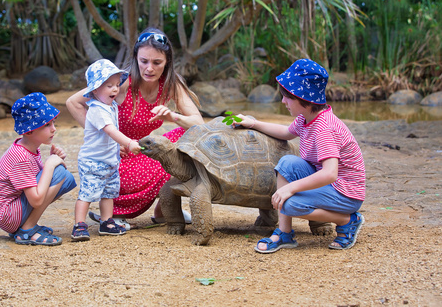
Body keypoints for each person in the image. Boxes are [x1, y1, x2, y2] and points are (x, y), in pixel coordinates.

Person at [66, 28, 204, 229]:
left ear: (167, 62)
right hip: (116, 156)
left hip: (140, 150)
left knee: (186, 138)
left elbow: (199, 125)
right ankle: (114, 212)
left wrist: (172, 116)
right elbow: (73, 102)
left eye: (157, 62)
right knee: (165, 159)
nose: (149, 68)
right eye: (143, 61)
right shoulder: (119, 82)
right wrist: (108, 139)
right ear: (136, 58)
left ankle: (165, 207)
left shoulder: (171, 84)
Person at [233, 59, 366, 253]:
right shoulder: (307, 118)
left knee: (290, 203)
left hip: (346, 192)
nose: (283, 101)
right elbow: (286, 132)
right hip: (330, 185)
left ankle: (348, 220)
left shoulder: (323, 128)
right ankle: (284, 233)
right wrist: (253, 123)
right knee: (287, 162)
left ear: (302, 97)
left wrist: (290, 189)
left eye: (287, 97)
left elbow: (330, 174)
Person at [0, 92, 77, 246]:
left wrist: (54, 161)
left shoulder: (28, 148)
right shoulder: (20, 157)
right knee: (59, 173)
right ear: (29, 130)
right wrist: (50, 164)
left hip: (13, 211)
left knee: (65, 177)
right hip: (8, 216)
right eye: (47, 125)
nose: (54, 129)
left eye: (53, 123)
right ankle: (27, 231)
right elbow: (36, 200)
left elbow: (36, 179)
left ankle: (24, 227)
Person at [71, 59, 141, 241]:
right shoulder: (96, 109)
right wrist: (128, 143)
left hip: (109, 161)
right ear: (95, 90)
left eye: (117, 85)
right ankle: (79, 224)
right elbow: (110, 130)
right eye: (109, 85)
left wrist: (117, 149)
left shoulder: (112, 107)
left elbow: (106, 138)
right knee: (87, 193)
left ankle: (107, 221)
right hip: (93, 162)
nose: (115, 89)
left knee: (109, 192)